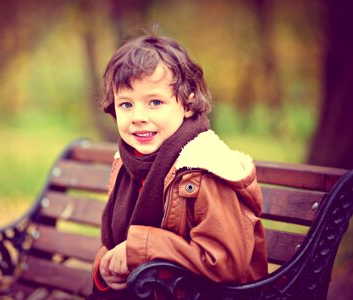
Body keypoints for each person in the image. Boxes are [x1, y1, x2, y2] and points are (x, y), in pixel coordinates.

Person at [87, 31, 267, 299]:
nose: (138, 117)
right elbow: (117, 245)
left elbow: (225, 263)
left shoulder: (207, 167)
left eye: (155, 102)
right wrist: (104, 269)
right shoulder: (128, 164)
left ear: (187, 102)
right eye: (126, 104)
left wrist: (140, 249)